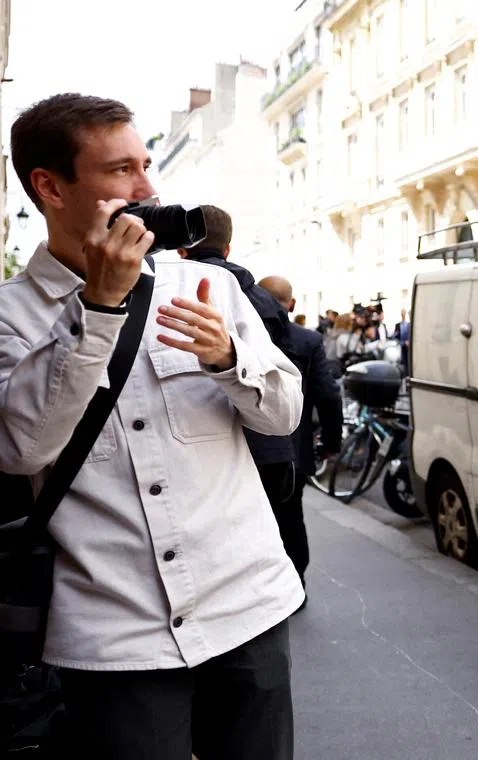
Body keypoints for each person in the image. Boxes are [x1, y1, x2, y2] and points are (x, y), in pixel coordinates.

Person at [0, 94, 303, 758]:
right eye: (120, 171)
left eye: (146, 164)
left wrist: (229, 358)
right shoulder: (11, 316)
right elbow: (21, 449)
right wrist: (99, 307)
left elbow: (283, 412)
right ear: (50, 187)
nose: (147, 188)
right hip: (113, 633)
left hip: (245, 605)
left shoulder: (208, 286)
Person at [176, 206, 301, 521]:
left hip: (216, 456)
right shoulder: (267, 300)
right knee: (285, 538)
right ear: (228, 249)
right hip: (274, 447)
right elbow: (286, 372)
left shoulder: (179, 297)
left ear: (182, 250)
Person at [259, 275, 343, 597]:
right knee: (292, 518)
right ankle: (295, 585)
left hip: (248, 450)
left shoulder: (239, 338)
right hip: (292, 450)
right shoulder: (307, 341)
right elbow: (329, 396)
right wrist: (331, 443)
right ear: (291, 305)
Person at [392, 308, 411, 375]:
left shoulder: (408, 324)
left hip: (408, 345)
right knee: (402, 361)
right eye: (402, 313)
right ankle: (404, 374)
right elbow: (395, 336)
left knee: (408, 360)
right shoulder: (398, 325)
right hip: (401, 345)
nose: (403, 314)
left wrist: (408, 342)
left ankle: (408, 373)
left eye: (404, 313)